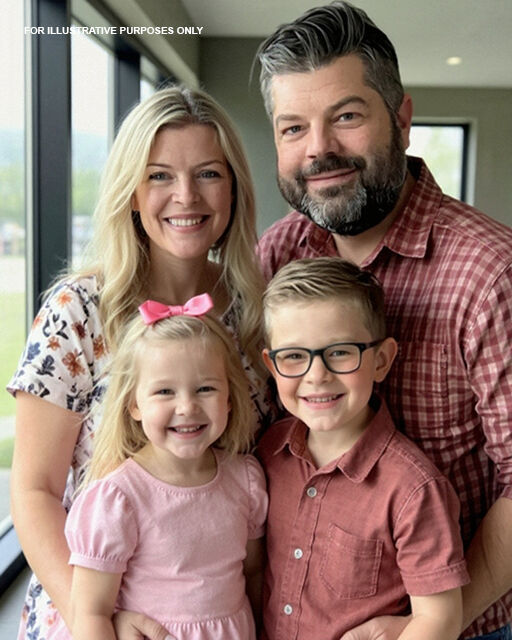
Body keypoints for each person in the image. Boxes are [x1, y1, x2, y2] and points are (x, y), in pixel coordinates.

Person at [255, 2, 512, 639]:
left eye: (346, 116)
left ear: (401, 119)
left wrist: (429, 624)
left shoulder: (490, 274)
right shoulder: (278, 254)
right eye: (293, 128)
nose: (319, 149)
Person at [8, 85, 270, 640]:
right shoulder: (78, 311)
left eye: (208, 173)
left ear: (234, 188)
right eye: (159, 176)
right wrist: (95, 617)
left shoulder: (257, 313)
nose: (185, 196)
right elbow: (34, 492)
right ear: (130, 192)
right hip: (90, 613)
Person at [257, 257, 469, 640]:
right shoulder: (267, 452)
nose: (316, 375)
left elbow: (439, 620)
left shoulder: (413, 489)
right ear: (272, 366)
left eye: (340, 352)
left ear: (382, 360)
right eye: (294, 356)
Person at [63, 296, 267, 640]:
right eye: (164, 391)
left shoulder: (246, 479)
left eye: (205, 388)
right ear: (134, 405)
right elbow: (90, 613)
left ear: (229, 399)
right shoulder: (117, 499)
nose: (186, 406)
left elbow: (255, 574)